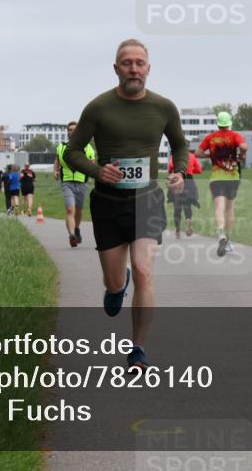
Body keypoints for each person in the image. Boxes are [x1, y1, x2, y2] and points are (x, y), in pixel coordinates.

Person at [64, 38, 189, 371]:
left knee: (146, 273)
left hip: (146, 201)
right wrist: (96, 170)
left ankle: (137, 350)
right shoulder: (98, 108)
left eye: (139, 63)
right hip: (107, 204)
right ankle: (117, 286)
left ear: (148, 68)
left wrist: (179, 172)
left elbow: (180, 146)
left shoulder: (164, 107)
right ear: (116, 68)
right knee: (115, 282)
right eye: (127, 63)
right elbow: (72, 152)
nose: (134, 68)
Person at [196, 111, 248, 257]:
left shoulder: (210, 138)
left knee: (219, 207)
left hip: (216, 178)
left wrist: (211, 155)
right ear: (229, 123)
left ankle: (221, 236)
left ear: (218, 124)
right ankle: (229, 241)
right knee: (230, 209)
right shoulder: (235, 135)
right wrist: (241, 156)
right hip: (232, 177)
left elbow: (197, 153)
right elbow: (244, 147)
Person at [55, 121, 97, 247]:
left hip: (82, 182)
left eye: (74, 129)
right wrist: (56, 170)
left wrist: (93, 176)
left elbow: (92, 164)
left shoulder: (87, 148)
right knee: (70, 209)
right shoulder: (61, 147)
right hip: (67, 182)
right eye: (69, 129)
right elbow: (57, 160)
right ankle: (72, 235)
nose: (71, 131)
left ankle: (77, 229)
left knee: (79, 210)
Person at [168, 152, 203, 238]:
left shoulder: (174, 156)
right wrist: (190, 170)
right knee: (187, 205)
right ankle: (188, 219)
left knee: (177, 208)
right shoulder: (192, 156)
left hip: (177, 180)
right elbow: (199, 170)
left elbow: (170, 169)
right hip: (189, 180)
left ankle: (177, 231)